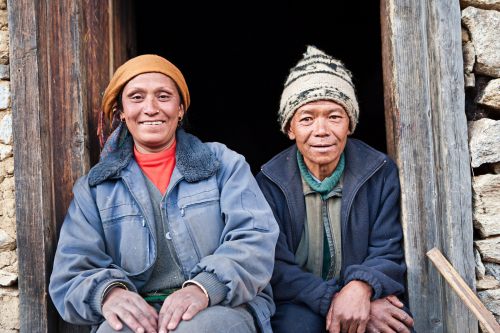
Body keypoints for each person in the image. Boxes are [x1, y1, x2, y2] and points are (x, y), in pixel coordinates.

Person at [49, 54, 279, 333]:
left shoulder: (223, 165)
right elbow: (71, 271)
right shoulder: (96, 189)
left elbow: (255, 238)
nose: (150, 108)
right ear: (121, 112)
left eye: (163, 96)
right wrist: (110, 295)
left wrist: (203, 288)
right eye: (136, 97)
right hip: (142, 312)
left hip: (222, 305)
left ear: (180, 109)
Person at [255, 45, 415, 333]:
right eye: (307, 118)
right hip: (298, 303)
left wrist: (362, 287)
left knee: (395, 326)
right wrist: (336, 299)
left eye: (334, 116)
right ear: (290, 128)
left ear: (349, 124)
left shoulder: (378, 171)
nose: (321, 130)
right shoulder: (269, 182)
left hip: (365, 293)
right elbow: (274, 267)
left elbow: (387, 250)